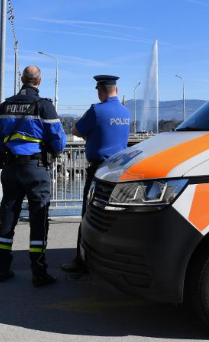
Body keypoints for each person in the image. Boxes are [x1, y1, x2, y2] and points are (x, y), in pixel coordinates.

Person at [0, 66, 66, 287]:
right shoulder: (44, 106)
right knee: (38, 219)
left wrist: (9, 149)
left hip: (11, 168)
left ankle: (2, 268)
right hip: (36, 167)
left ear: (21, 79)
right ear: (39, 81)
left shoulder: (5, 105)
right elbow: (58, 139)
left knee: (8, 216)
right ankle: (38, 272)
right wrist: (54, 152)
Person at [61, 75, 131, 274]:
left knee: (89, 215)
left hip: (99, 171)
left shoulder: (96, 110)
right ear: (116, 90)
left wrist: (88, 135)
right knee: (113, 217)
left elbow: (75, 130)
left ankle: (81, 261)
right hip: (120, 171)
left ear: (100, 91)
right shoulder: (125, 112)